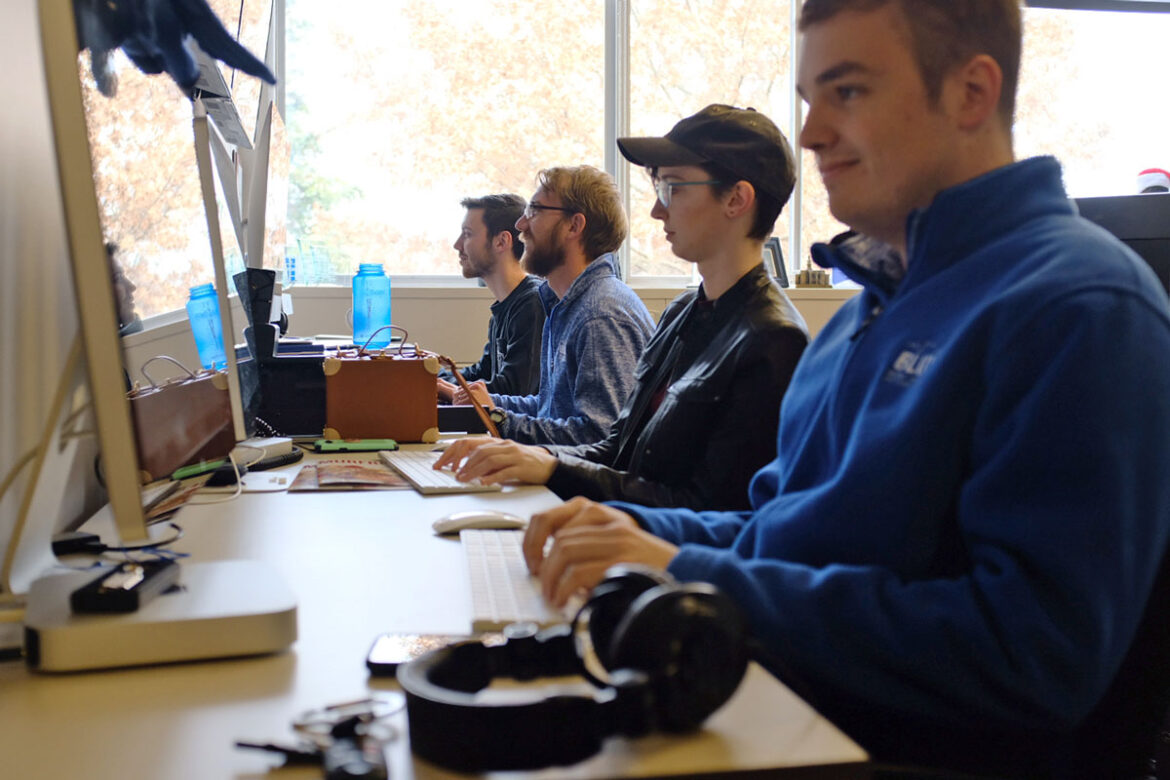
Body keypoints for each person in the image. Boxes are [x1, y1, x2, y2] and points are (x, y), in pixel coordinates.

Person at [518, 1, 1170, 777]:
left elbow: (1031, 652)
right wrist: (616, 530)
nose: (811, 133)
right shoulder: (868, 312)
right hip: (785, 714)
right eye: (809, 99)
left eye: (848, 91)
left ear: (971, 92)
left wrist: (687, 571)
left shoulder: (1079, 307)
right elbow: (774, 532)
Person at [436, 106, 809, 511]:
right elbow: (619, 449)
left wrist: (547, 464)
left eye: (673, 188)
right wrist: (543, 461)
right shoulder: (683, 312)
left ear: (736, 199)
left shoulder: (772, 340)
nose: (657, 210)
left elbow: (713, 511)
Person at [453, 166, 655, 446]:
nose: (521, 224)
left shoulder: (600, 315)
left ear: (574, 225)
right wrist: (489, 404)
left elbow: (598, 438)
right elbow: (551, 408)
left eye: (534, 210)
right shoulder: (564, 305)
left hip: (577, 490)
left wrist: (499, 419)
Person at [436, 194, 544, 399]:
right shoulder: (505, 307)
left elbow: (516, 391)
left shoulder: (532, 304)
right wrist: (427, 376)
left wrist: (448, 390)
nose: (457, 245)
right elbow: (481, 374)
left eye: (467, 234)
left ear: (502, 241)